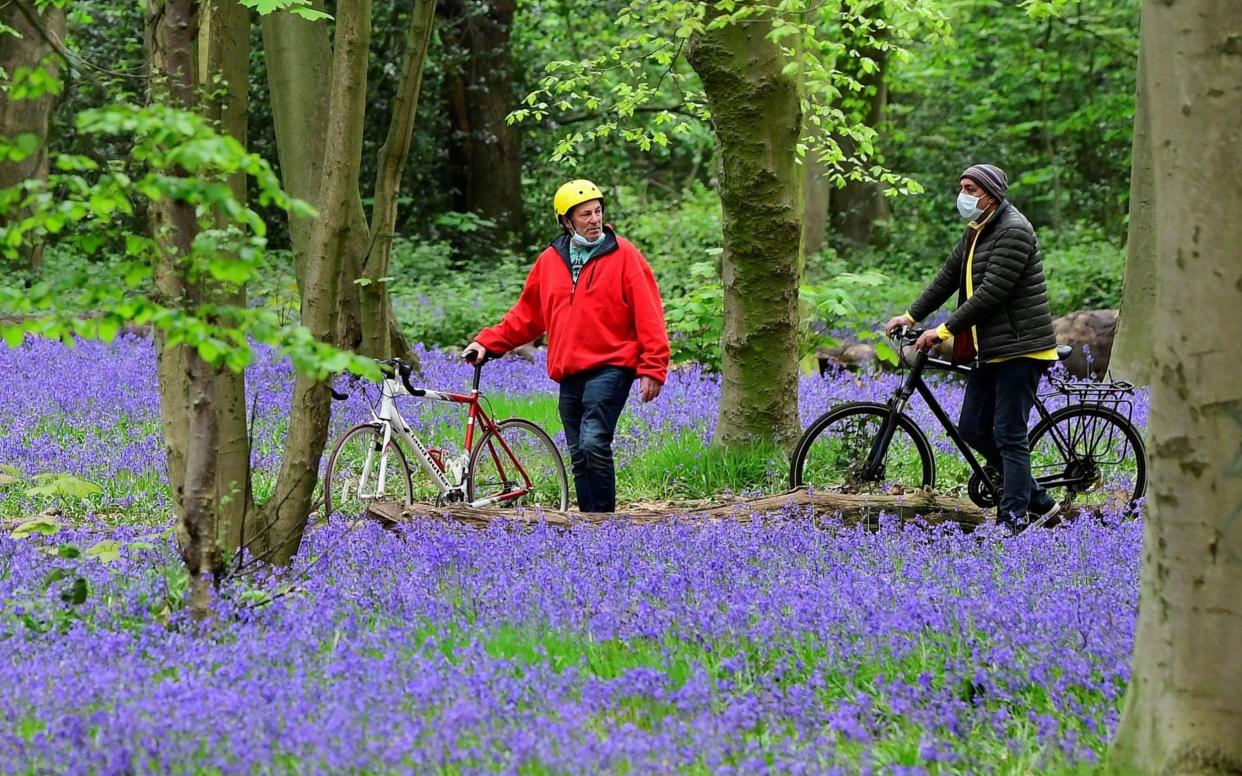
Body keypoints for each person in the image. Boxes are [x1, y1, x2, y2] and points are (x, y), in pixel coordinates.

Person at [463, 180, 670, 513]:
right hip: (569, 370)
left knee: (593, 443)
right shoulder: (550, 261)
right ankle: (590, 529)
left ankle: (602, 526)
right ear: (566, 221)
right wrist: (487, 342)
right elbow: (527, 315)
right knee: (579, 455)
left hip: (612, 365)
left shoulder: (625, 256)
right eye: (585, 214)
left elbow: (650, 314)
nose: (593, 219)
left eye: (597, 211)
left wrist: (653, 367)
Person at [884, 164, 1060, 534]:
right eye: (961, 187)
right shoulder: (975, 231)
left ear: (990, 194)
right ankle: (1038, 498)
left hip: (1020, 347)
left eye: (969, 188)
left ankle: (1013, 522)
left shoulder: (1014, 230)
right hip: (990, 349)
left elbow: (991, 294)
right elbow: (947, 277)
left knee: (1008, 434)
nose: (962, 195)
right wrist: (910, 315)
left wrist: (944, 331)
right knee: (972, 428)